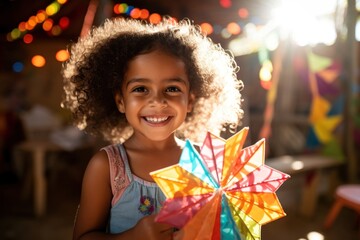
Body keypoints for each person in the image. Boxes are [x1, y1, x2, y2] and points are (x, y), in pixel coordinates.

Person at [62, 16, 243, 240]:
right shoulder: (107, 167)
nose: (157, 101)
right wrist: (133, 237)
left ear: (191, 100)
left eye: (172, 88)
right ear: (120, 101)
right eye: (140, 89)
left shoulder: (209, 164)